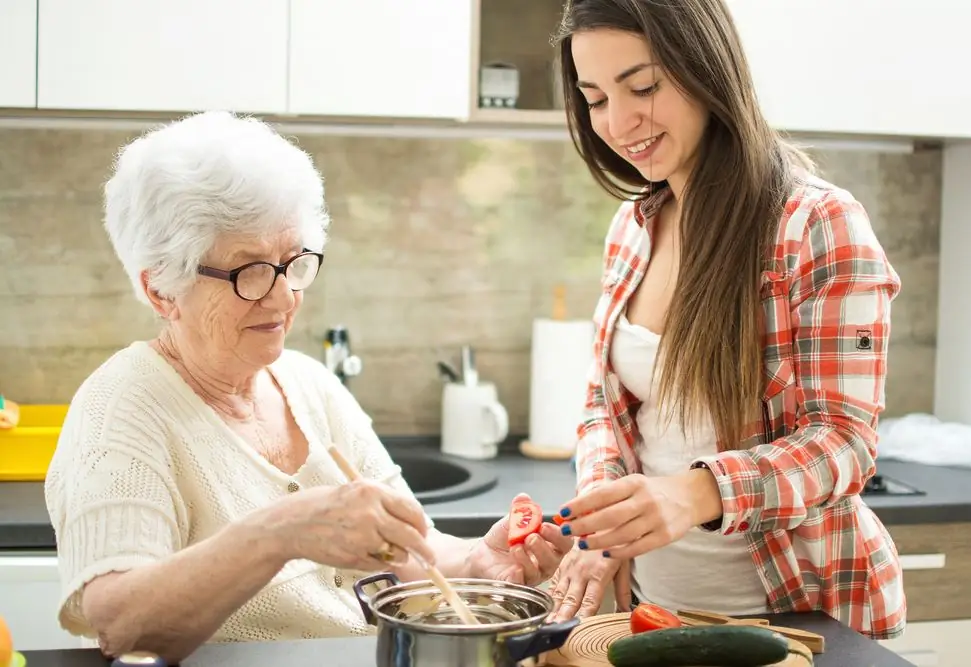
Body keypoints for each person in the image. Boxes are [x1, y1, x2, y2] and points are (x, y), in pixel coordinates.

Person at [43, 111, 573, 663]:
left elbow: (412, 551)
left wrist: (474, 563)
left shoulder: (309, 385)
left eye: (292, 261)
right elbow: (122, 625)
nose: (283, 298)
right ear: (162, 291)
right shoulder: (120, 409)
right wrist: (277, 534)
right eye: (249, 272)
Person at [544, 0, 906, 640]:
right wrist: (605, 518)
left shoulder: (815, 224)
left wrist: (693, 492)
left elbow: (844, 443)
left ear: (705, 66)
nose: (619, 121)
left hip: (799, 618)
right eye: (595, 98)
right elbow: (607, 404)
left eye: (644, 86)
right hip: (654, 615)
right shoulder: (634, 228)